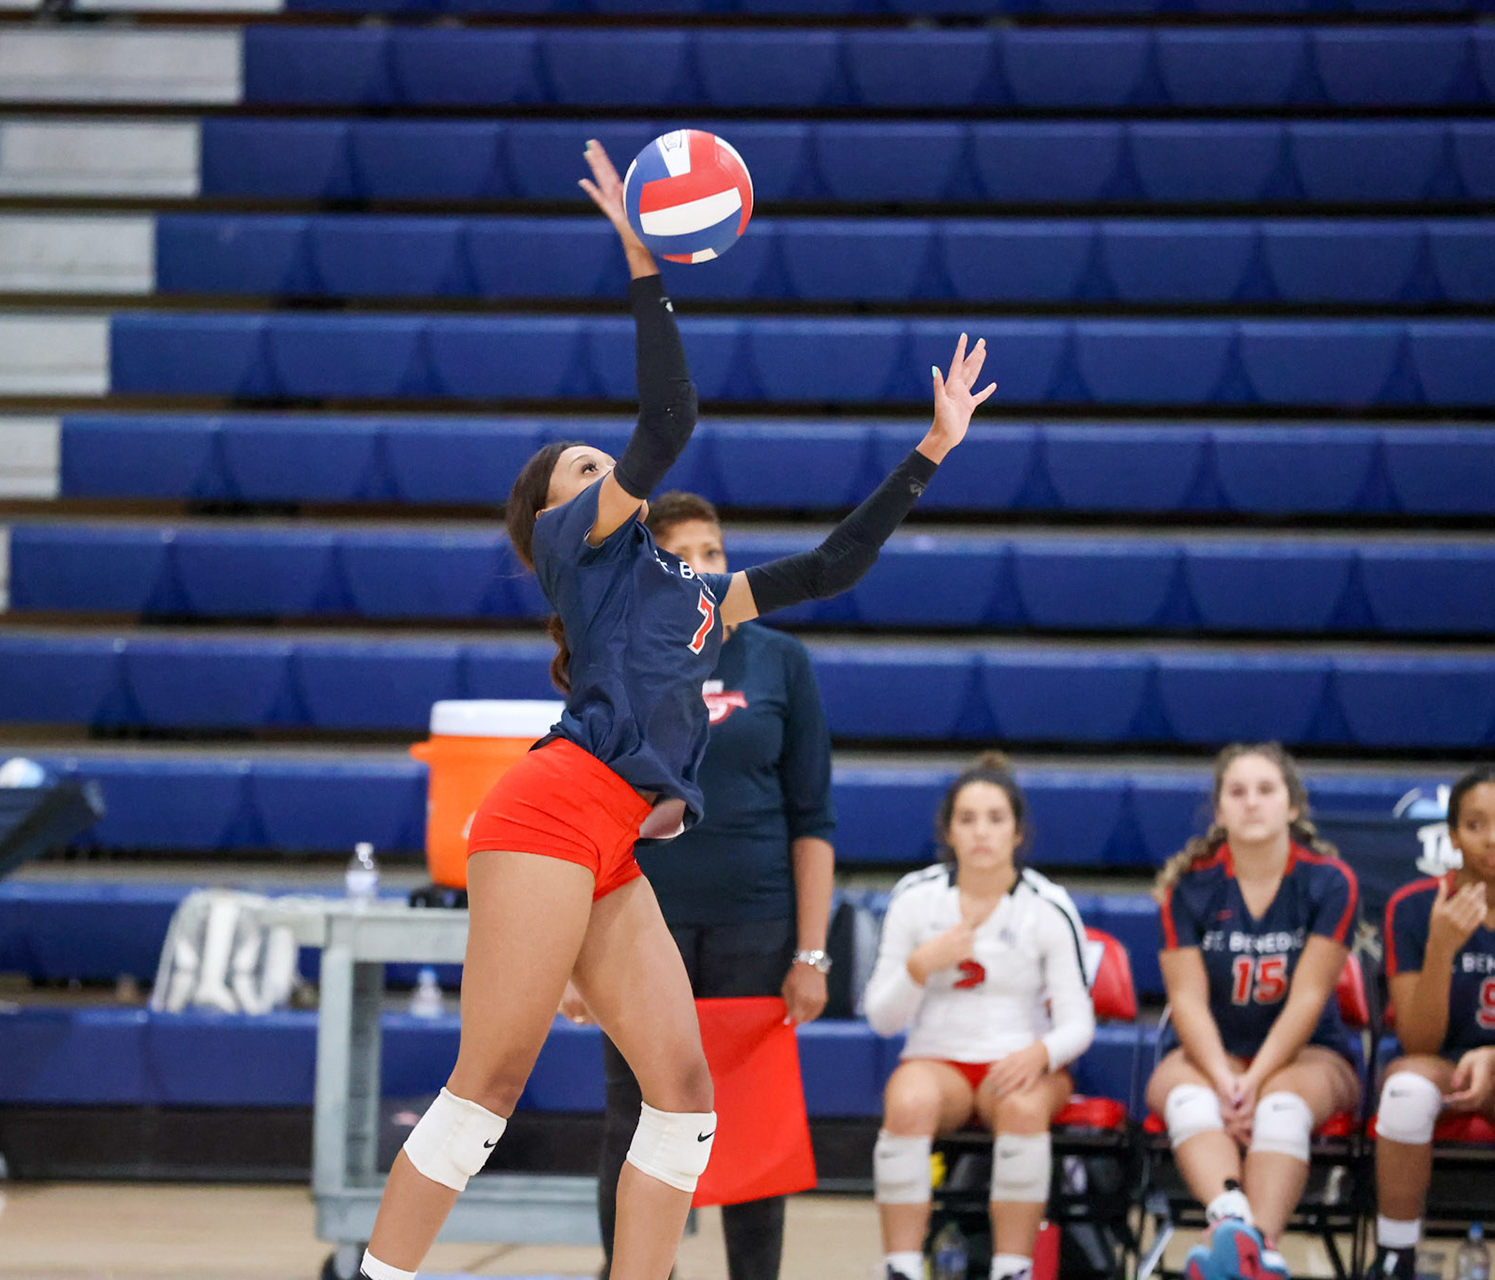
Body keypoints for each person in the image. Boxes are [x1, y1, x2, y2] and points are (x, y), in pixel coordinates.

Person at [350, 138, 995, 1280]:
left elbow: (831, 567)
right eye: (581, 465)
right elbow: (670, 416)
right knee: (488, 1084)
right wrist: (644, 260)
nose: (602, 467)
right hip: (551, 813)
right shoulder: (577, 545)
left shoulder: (694, 594)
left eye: (597, 461)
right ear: (555, 515)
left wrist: (930, 452)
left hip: (612, 840)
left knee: (686, 1096)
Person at [557, 490, 837, 1280]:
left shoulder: (781, 661)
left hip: (757, 925)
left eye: (713, 551)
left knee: (751, 1124)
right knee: (636, 1119)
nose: (704, 566)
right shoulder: (619, 661)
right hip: (641, 923)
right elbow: (585, 813)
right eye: (683, 555)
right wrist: (574, 955)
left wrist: (811, 954)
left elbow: (813, 817)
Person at [861, 753, 1096, 1280]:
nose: (982, 832)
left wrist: (1040, 1053)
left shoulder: (1047, 906)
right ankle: (901, 1266)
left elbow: (1079, 1023)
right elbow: (881, 1019)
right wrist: (920, 967)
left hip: (1018, 1060)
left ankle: (1012, 1268)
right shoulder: (916, 899)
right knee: (908, 1100)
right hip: (937, 1061)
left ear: (1018, 832)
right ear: (948, 831)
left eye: (995, 818)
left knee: (1022, 1107)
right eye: (967, 819)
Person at [1144, 743, 1361, 1280]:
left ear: (1293, 806)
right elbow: (1186, 1000)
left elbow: (1309, 998)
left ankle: (1247, 1248)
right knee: (1188, 1098)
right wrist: (1224, 1079)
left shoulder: (1330, 881)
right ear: (1219, 811)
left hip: (1309, 1052)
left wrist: (1254, 1081)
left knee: (1280, 1106)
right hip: (1209, 1051)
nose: (1251, 802)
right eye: (1236, 792)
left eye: (1266, 789)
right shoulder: (1188, 885)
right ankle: (1238, 1227)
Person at [1370, 765, 1495, 1280]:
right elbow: (1418, 1040)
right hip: (1440, 1061)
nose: (1493, 838)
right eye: (1475, 824)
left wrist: (1493, 1057)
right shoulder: (1412, 906)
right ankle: (1395, 1256)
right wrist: (1442, 947)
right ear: (1453, 836)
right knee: (1404, 1092)